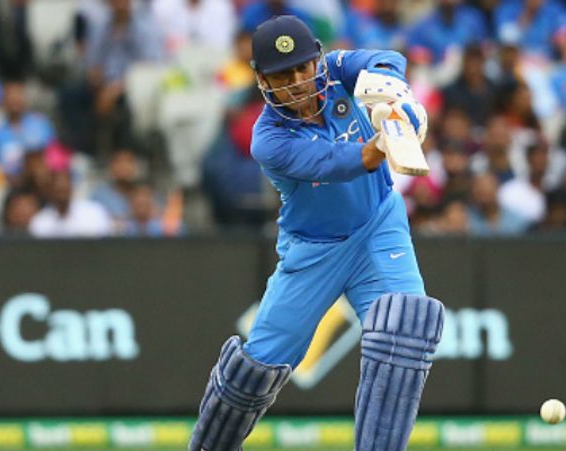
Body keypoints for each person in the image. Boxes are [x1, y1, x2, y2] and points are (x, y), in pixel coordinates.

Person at [189, 16, 444, 451]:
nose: (297, 83)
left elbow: (387, 59)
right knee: (253, 371)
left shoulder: (339, 69)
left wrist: (397, 98)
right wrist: (389, 138)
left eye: (303, 68)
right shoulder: (269, 140)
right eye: (282, 76)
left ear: (317, 61)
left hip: (378, 226)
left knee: (405, 327)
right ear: (261, 80)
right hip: (313, 252)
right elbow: (342, 162)